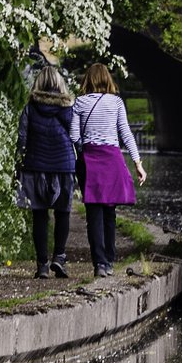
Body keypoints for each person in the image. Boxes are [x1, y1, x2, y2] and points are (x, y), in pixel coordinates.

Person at [71, 63, 147, 277]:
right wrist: (138, 163)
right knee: (110, 213)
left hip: (90, 158)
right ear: (107, 79)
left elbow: (74, 136)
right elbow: (126, 133)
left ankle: (99, 264)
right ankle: (110, 261)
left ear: (88, 79)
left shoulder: (80, 103)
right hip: (112, 158)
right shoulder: (116, 102)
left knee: (93, 213)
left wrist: (85, 144)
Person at [16, 65, 77, 279]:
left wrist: (18, 164)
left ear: (38, 83)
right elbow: (75, 137)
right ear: (60, 84)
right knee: (63, 212)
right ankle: (59, 257)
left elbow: (22, 137)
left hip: (36, 166)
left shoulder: (30, 108)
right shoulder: (68, 108)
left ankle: (42, 264)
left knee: (39, 215)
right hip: (63, 166)